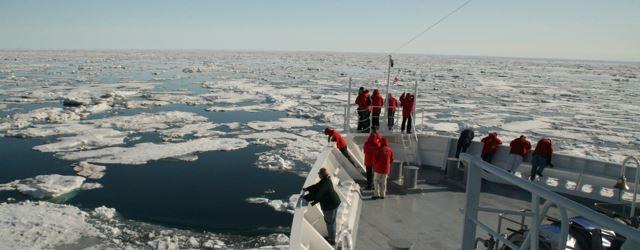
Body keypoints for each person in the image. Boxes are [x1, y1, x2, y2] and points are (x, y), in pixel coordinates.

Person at [303, 168, 342, 245]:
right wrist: (307, 189)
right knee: (332, 222)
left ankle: (332, 240)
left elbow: (317, 196)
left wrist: (304, 197)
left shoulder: (324, 183)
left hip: (330, 206)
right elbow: (317, 186)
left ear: (322, 174)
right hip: (334, 203)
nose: (318, 174)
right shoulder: (326, 180)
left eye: (319, 173)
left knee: (330, 223)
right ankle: (332, 237)